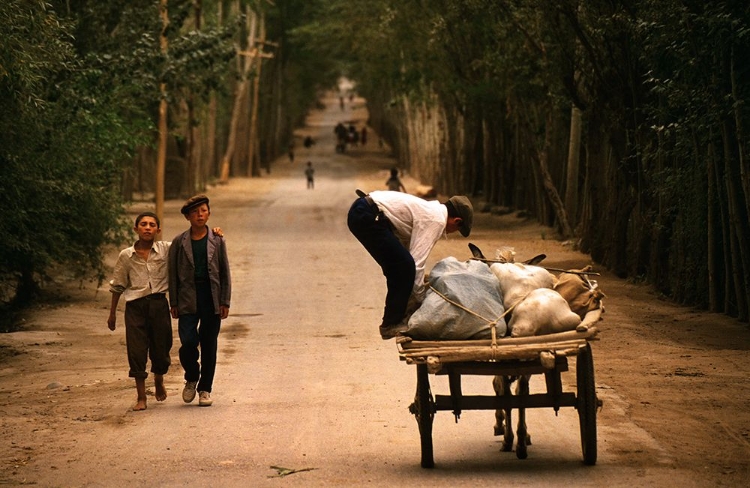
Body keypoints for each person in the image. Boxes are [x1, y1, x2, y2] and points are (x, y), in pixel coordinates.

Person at [347, 190, 473, 339]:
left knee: (400, 266)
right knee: (404, 267)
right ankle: (391, 324)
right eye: (457, 229)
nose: (452, 232)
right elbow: (417, 264)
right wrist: (421, 301)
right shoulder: (437, 220)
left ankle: (396, 318)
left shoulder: (430, 211)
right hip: (366, 215)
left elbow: (406, 249)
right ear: (457, 220)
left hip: (363, 212)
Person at [169, 195, 232, 407]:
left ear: (209, 214)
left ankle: (205, 389)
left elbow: (225, 272)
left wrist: (225, 301)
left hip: (211, 297)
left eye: (203, 211)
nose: (199, 215)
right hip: (187, 297)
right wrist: (174, 301)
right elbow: (172, 274)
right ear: (187, 217)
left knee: (209, 344)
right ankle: (192, 376)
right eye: (195, 212)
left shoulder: (217, 239)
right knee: (187, 342)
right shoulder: (179, 242)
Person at [108, 212, 172, 411]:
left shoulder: (166, 250)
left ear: (158, 230)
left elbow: (189, 243)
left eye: (152, 224)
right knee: (136, 351)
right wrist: (112, 314)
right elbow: (118, 285)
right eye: (143, 224)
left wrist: (215, 233)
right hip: (135, 307)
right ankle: (141, 396)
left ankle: (159, 378)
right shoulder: (126, 255)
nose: (147, 227)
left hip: (159, 305)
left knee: (161, 350)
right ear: (136, 229)